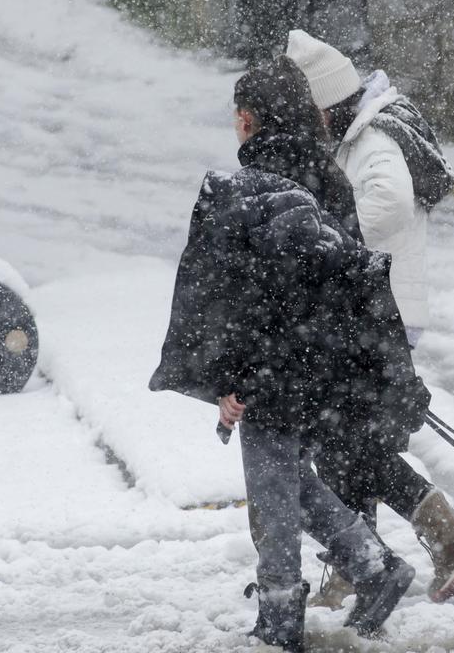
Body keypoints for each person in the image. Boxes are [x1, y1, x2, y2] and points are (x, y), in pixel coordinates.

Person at [148, 57, 429, 652]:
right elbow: (343, 278)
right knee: (288, 478)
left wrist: (234, 380)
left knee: (271, 485)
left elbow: (234, 301)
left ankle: (281, 607)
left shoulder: (247, 189)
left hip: (274, 366)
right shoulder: (327, 178)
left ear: (247, 120)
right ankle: (374, 566)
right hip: (324, 365)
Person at [285, 29, 454, 606]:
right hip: (373, 312)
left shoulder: (372, 141)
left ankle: (441, 528)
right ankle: (360, 563)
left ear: (326, 105)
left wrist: (330, 239)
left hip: (380, 315)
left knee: (342, 438)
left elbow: (392, 203)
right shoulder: (356, 137)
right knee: (345, 438)